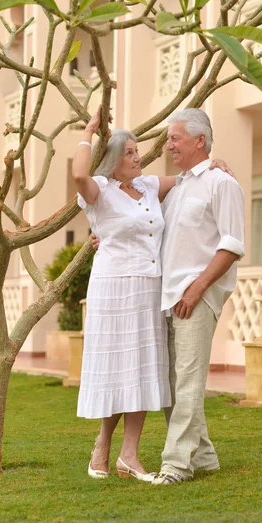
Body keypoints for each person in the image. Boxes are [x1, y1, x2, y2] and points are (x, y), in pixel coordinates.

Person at [73, 106, 232, 482]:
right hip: (113, 289)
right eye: (129, 153)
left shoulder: (147, 186)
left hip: (149, 287)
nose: (138, 157)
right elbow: (79, 173)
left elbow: (189, 178)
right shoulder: (100, 191)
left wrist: (215, 161)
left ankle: (130, 455)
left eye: (136, 150)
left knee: (143, 369)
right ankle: (102, 444)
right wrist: (89, 130)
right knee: (115, 370)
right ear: (113, 161)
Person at [152, 108, 245, 485]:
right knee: (172, 386)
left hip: (196, 297)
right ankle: (204, 457)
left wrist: (197, 288)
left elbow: (232, 244)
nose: (168, 144)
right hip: (169, 296)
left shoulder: (222, 184)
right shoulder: (178, 187)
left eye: (175, 138)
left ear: (199, 141)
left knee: (188, 383)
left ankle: (176, 464)